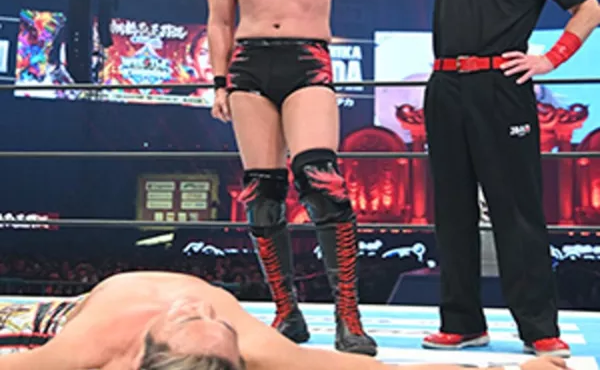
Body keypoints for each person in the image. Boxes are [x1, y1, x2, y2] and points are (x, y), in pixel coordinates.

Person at [206, 0, 409, 357]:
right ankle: (286, 312)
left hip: (307, 59)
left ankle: (349, 316)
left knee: (322, 180)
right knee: (261, 193)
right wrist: (218, 83)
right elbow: (218, 20)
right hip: (248, 67)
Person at [386, 0, 600, 357]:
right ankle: (462, 322)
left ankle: (538, 327)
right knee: (452, 209)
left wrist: (550, 59)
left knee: (516, 208)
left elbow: (589, 9)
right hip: (445, 90)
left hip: (502, 89)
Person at [0, 270, 575, 370]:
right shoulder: (256, 349)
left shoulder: (88, 347)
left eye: (188, 315)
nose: (198, 303)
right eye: (204, 316)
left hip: (69, 314)